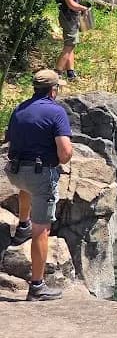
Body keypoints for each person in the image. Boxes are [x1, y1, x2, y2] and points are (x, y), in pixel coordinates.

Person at [3, 69, 73, 301]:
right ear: (53, 90)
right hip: (39, 176)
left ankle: (22, 225)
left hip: (15, 173)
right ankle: (37, 286)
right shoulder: (56, 112)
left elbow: (9, 139)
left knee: (27, 186)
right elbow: (65, 153)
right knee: (42, 229)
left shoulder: (20, 109)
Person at [54, 0, 90, 81]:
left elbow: (72, 1)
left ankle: (71, 74)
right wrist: (84, 9)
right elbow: (71, 5)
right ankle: (57, 74)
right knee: (68, 46)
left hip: (70, 16)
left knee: (71, 45)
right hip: (68, 17)